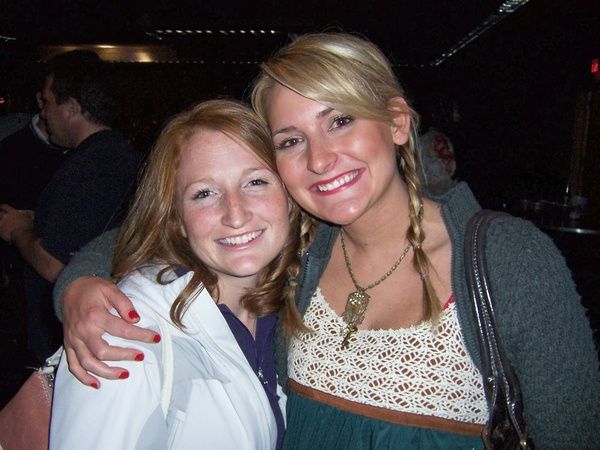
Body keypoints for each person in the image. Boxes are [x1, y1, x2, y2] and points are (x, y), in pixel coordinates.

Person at [53, 33, 600, 449]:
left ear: (397, 122)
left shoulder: (504, 261)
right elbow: (169, 230)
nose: (319, 159)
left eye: (340, 121)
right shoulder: (300, 251)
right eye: (291, 140)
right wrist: (79, 286)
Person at [50, 99, 300, 449]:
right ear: (176, 219)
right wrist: (77, 281)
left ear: (290, 197)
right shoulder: (126, 334)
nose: (236, 214)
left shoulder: (292, 303)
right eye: (204, 193)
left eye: (255, 182)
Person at [0, 50, 141, 361]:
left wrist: (18, 230)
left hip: (65, 345)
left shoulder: (93, 165)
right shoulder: (114, 155)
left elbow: (56, 264)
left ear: (72, 108)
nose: (43, 114)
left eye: (48, 103)